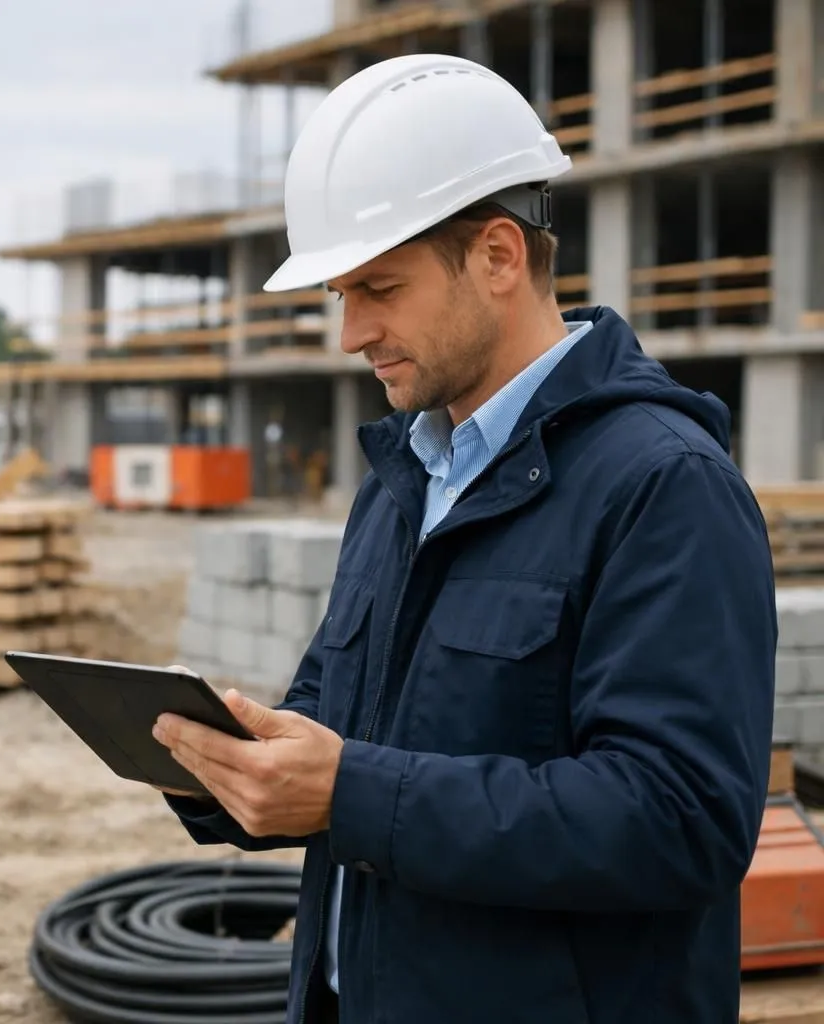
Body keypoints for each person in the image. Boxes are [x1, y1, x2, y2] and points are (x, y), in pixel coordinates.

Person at [151, 53, 776, 1024]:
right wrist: (228, 763)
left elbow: (679, 817)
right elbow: (337, 708)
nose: (351, 332)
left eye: (380, 288)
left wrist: (350, 791)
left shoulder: (663, 485)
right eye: (340, 295)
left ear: (498, 257)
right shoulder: (407, 473)